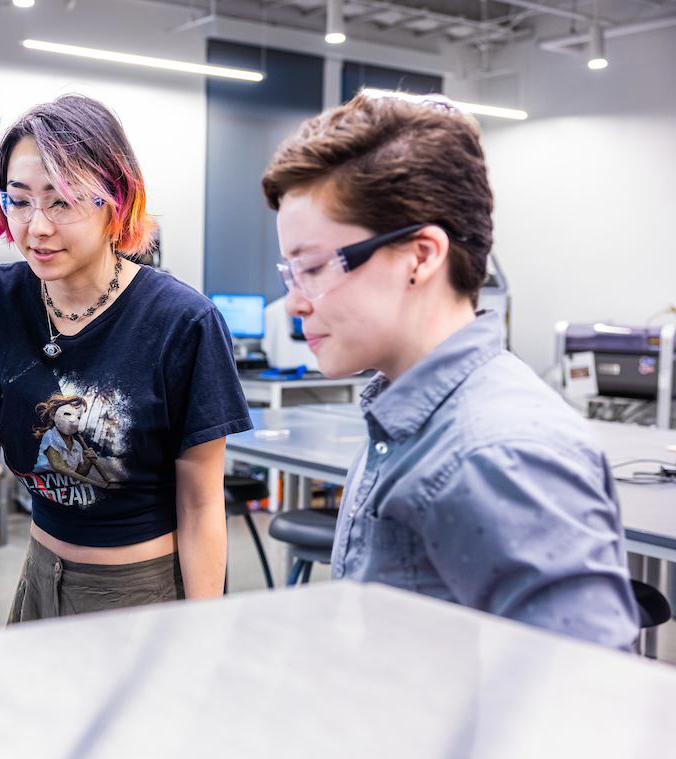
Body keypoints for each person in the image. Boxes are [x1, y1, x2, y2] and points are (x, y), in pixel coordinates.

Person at [261, 92, 637, 649]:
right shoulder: (405, 412)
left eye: (313, 268)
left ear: (420, 256)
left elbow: (589, 709)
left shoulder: (498, 454)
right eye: (290, 272)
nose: (294, 302)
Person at [0, 95, 252, 622]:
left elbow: (202, 503)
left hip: (141, 593)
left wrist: (201, 629)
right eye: (18, 200)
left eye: (62, 201)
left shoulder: (183, 321)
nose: (36, 226)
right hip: (40, 575)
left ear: (115, 200)